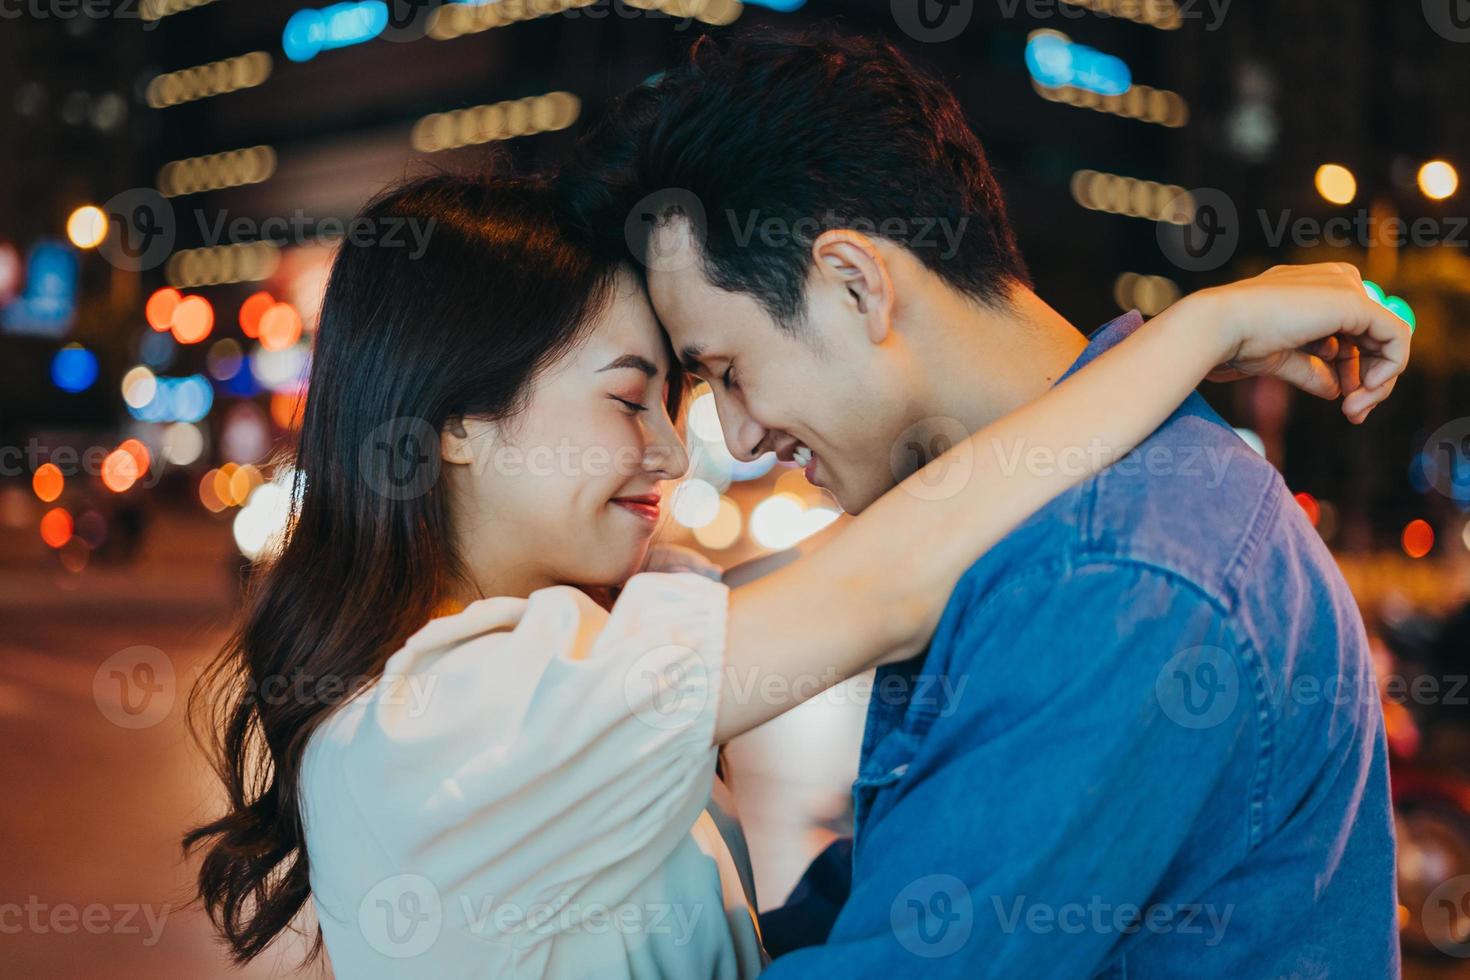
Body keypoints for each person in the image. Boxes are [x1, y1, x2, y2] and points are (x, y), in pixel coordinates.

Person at [558, 29, 1408, 976]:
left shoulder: (1110, 569)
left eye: (729, 370)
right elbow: (895, 890)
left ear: (855, 283)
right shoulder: (1063, 525)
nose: (742, 434)